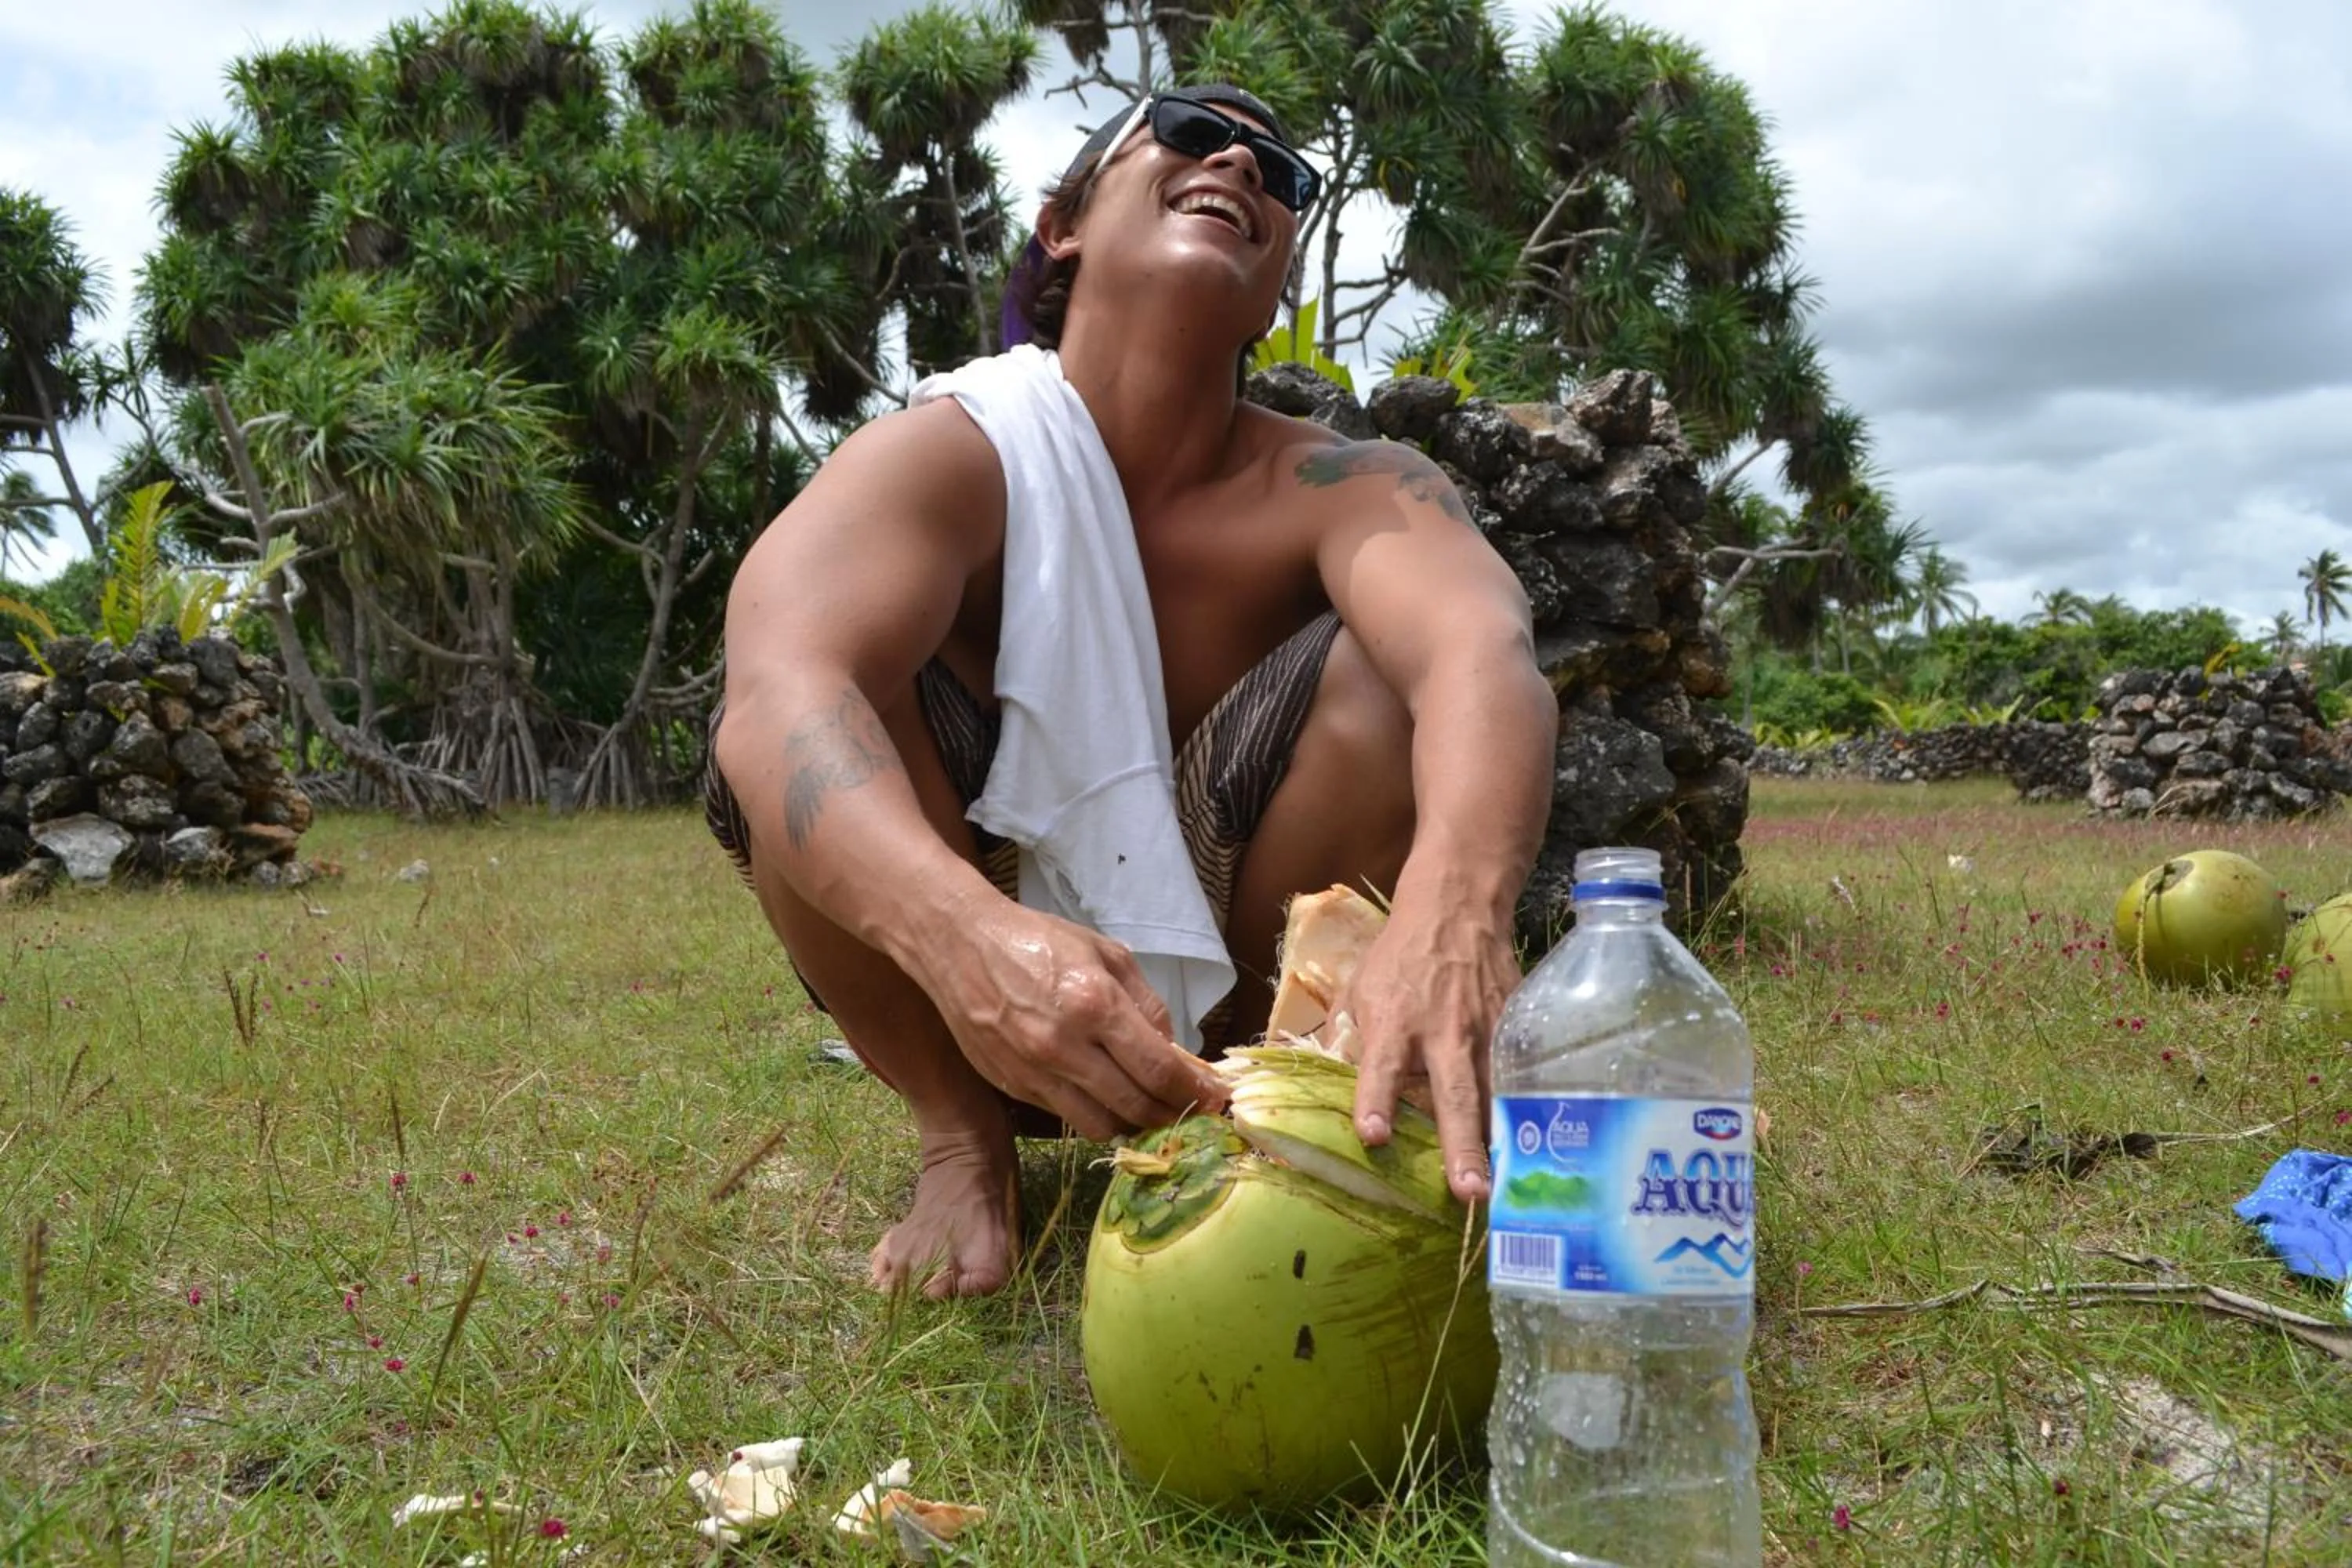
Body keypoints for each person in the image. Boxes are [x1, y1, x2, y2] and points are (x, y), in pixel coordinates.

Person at [706, 84, 1559, 1298]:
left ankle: (1292, 1116)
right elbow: (779, 691)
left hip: (1245, 992)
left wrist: (1458, 912)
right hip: (973, 981)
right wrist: (974, 947)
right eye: (1194, 130)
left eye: (1282, 170)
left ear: (1279, 292)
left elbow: (1483, 653)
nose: (1244, 163)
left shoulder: (1349, 485)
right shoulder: (952, 450)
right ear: (1063, 223)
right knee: (804, 702)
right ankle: (962, 1146)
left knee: (1391, 679)